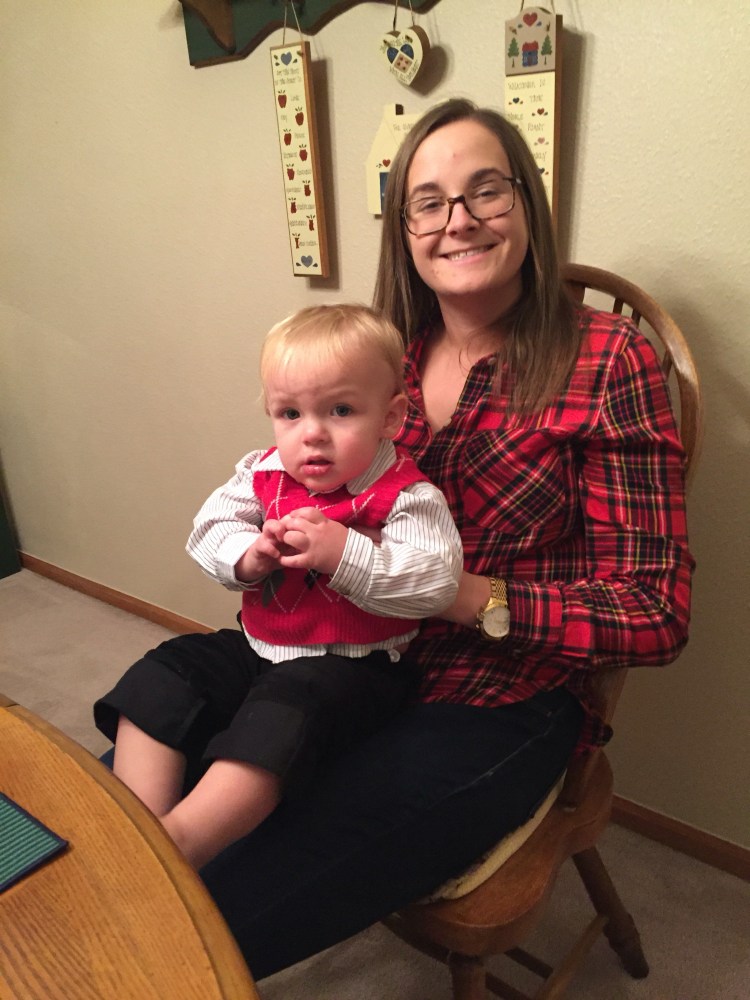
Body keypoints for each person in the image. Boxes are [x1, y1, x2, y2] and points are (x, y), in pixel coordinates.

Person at [100, 98, 693, 981]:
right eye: (429, 201)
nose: (458, 219)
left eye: (486, 191)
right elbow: (273, 475)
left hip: (500, 690)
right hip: (340, 652)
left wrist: (462, 597)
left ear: (526, 202)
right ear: (404, 228)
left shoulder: (608, 361)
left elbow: (655, 613)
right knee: (118, 789)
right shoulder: (379, 359)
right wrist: (258, 546)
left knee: (222, 896)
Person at [94, 304, 463, 869]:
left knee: (285, 710)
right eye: (290, 413)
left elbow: (436, 583)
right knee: (171, 667)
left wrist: (344, 553)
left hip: (355, 665)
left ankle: (181, 844)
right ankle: (141, 823)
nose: (312, 434)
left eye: (341, 410)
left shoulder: (405, 496)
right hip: (260, 644)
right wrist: (248, 557)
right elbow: (209, 528)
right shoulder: (263, 471)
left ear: (390, 418)